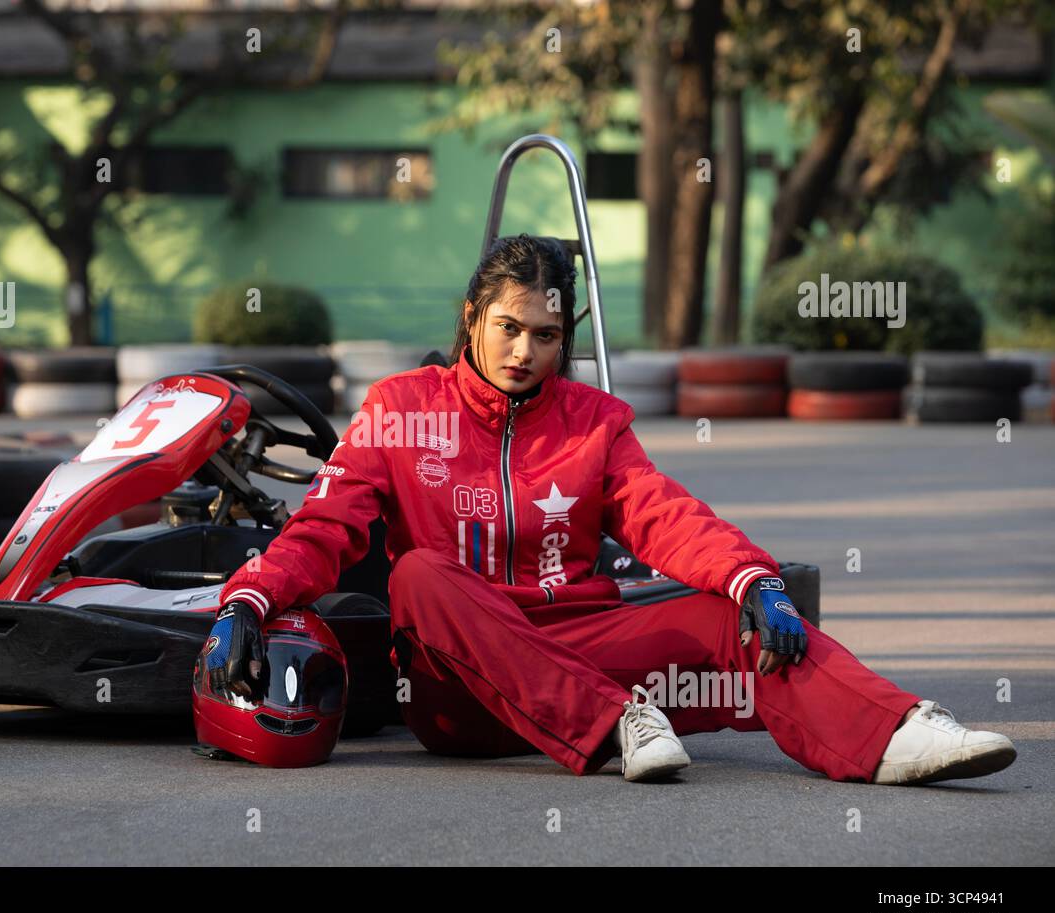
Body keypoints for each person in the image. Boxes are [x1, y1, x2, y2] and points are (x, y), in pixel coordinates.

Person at [203, 234, 1017, 784]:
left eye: (547, 335)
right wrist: (249, 598)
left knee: (721, 616)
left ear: (567, 335)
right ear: (470, 319)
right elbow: (323, 526)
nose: (526, 352)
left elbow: (666, 514)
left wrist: (754, 582)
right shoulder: (399, 409)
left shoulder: (593, 422)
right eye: (508, 328)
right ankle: (614, 727)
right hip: (465, 695)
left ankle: (894, 734)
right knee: (417, 573)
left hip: (582, 646)